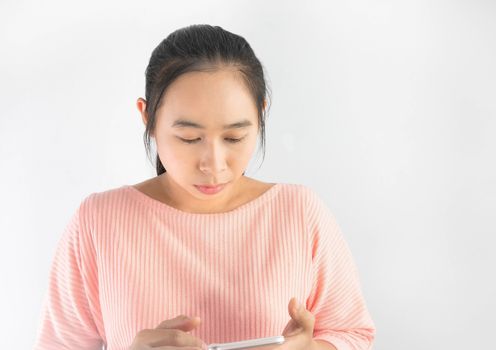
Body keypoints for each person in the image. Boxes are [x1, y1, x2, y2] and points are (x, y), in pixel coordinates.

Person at [33, 24, 376, 350]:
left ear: (261, 115)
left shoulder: (300, 212)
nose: (214, 164)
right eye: (189, 138)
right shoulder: (99, 221)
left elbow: (354, 335)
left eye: (234, 137)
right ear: (147, 118)